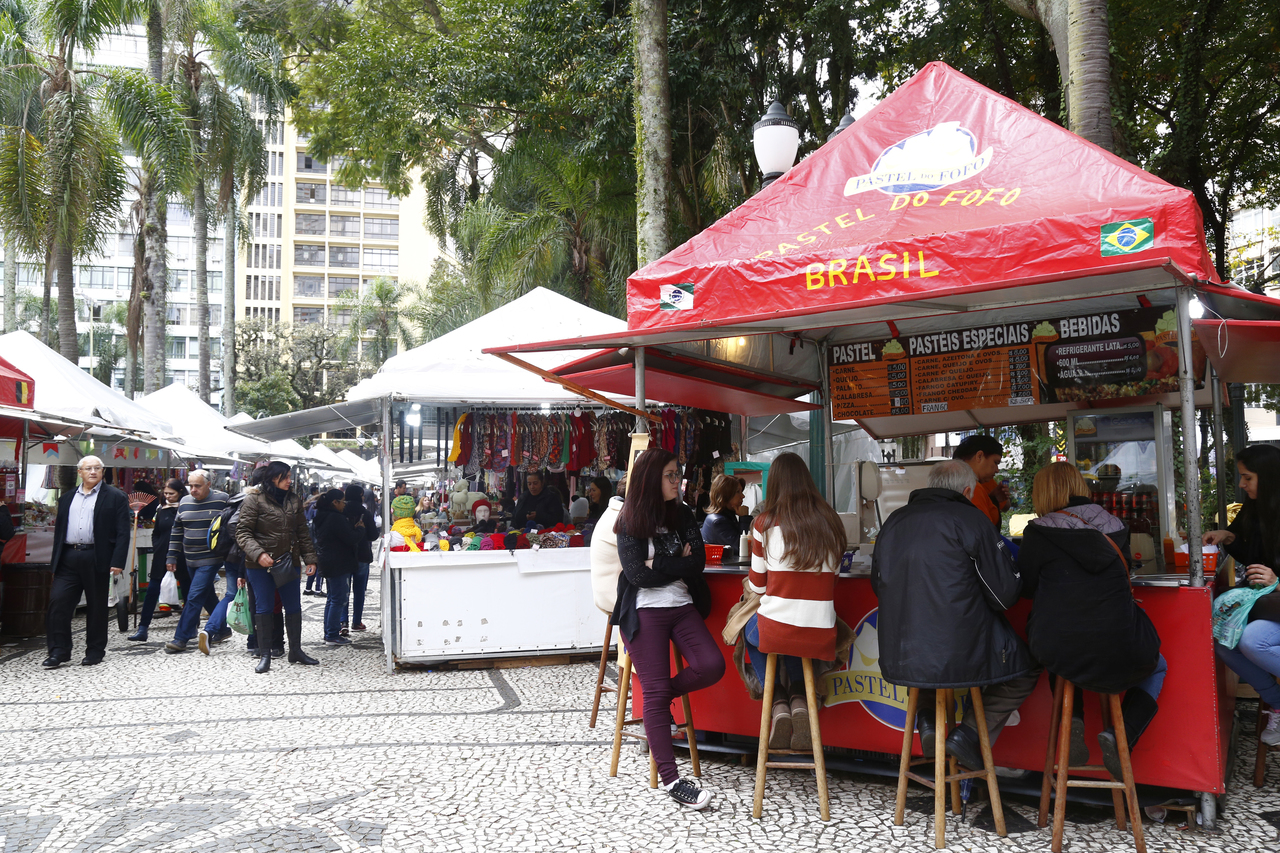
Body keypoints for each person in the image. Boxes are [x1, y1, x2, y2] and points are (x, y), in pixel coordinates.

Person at [871, 459, 1038, 770]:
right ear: (968, 491)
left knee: (925, 672)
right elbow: (1004, 596)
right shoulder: (972, 520)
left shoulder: (894, 521)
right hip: (962, 651)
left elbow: (878, 585)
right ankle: (968, 735)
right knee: (1026, 670)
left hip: (902, 653)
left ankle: (928, 721)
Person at [1017, 461, 1164, 780]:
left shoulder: (1038, 531)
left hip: (1058, 645)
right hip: (1119, 643)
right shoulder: (1115, 525)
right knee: (1157, 664)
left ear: (1044, 493)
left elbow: (1025, 588)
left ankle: (1074, 720)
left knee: (1059, 649)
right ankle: (1123, 733)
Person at [611, 448, 724, 810]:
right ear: (651, 478)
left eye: (679, 475)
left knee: (711, 665)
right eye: (671, 475)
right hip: (644, 611)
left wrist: (658, 562)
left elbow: (698, 563)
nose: (678, 481)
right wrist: (677, 561)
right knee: (655, 691)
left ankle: (660, 698)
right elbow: (637, 576)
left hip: (681, 604)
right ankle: (673, 781)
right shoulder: (629, 520)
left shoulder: (684, 513)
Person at [742, 453, 845, 751]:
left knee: (749, 632)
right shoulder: (831, 521)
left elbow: (757, 586)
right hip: (821, 634)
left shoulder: (763, 524)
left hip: (777, 630)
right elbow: (834, 581)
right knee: (794, 640)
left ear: (773, 484)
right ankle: (799, 699)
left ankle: (778, 704)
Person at [1206, 444, 1280, 741]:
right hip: (1270, 606)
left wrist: (1278, 580)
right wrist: (1229, 537)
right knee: (1225, 641)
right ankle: (1277, 703)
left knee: (1252, 640)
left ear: (1269, 476)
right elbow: (1253, 560)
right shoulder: (1257, 506)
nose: (1241, 484)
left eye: (1247, 477)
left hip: (1273, 603)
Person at [42, 456, 131, 668]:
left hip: (97, 556)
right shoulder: (67, 498)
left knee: (97, 606)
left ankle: (95, 650)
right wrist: (55, 560)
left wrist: (118, 561)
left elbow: (123, 532)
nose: (93, 472)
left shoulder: (115, 497)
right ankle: (58, 651)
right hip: (68, 556)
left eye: (97, 468)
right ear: (80, 472)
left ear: (102, 471)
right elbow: (59, 531)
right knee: (58, 603)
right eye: (88, 468)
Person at [235, 460, 320, 673]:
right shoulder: (254, 499)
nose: (290, 481)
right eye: (286, 477)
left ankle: (295, 650)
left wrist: (310, 559)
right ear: (274, 478)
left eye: (290, 477)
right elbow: (242, 532)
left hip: (288, 561)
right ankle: (265, 655)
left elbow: (302, 532)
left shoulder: (293, 500)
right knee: (263, 608)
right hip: (259, 565)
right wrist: (259, 554)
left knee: (293, 607)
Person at [163, 471, 230, 654]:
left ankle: (181, 638)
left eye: (197, 486)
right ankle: (223, 629)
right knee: (206, 595)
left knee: (194, 597)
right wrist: (171, 556)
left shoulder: (222, 499)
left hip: (211, 558)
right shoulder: (184, 502)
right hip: (190, 558)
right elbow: (177, 531)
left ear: (209, 484)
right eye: (190, 486)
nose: (193, 490)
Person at [128, 479, 187, 642]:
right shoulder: (161, 509)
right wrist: (158, 546)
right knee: (152, 590)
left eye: (171, 493)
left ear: (180, 492)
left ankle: (190, 625)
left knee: (187, 590)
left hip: (183, 554)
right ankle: (143, 628)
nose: (168, 496)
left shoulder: (186, 508)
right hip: (161, 554)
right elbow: (156, 532)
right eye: (165, 493)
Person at [312, 488, 360, 647]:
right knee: (338, 599)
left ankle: (329, 632)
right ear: (335, 502)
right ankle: (332, 634)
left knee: (332, 598)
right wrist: (360, 529)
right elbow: (350, 538)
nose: (344, 505)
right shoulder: (335, 518)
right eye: (343, 502)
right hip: (338, 561)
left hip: (327, 561)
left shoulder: (321, 516)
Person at [953, 434, 1009, 529]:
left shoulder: (948, 483)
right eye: (995, 462)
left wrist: (992, 499)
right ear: (979, 456)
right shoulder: (973, 488)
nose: (997, 470)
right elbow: (984, 533)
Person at [343, 483, 377, 633]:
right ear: (359, 496)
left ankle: (343, 622)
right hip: (362, 554)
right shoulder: (366, 513)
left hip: (344, 555)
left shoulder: (341, 512)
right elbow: (373, 535)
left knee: (343, 590)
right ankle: (356, 622)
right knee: (359, 591)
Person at [700, 474, 751, 552]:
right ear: (725, 495)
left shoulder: (727, 515)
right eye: (738, 492)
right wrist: (744, 518)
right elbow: (743, 548)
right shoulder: (719, 521)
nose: (742, 496)